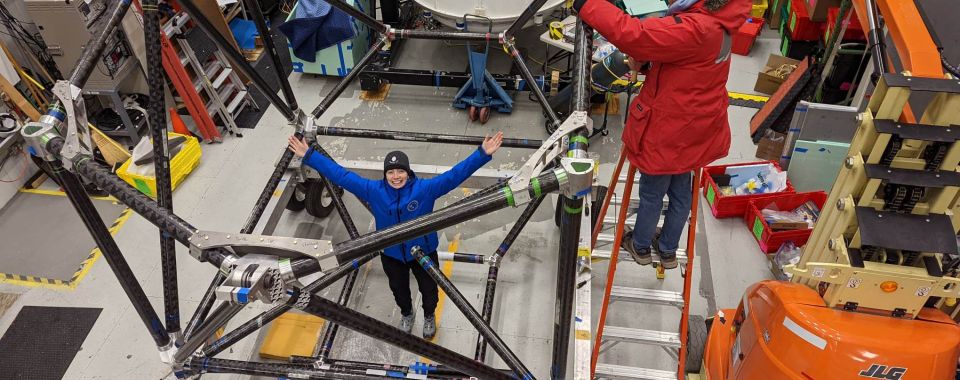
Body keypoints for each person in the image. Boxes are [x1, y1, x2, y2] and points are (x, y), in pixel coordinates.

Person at [573, 0, 750, 268]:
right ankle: (667, 249)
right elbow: (690, 65)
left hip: (668, 131)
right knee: (680, 194)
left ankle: (640, 245)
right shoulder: (723, 24)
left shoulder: (694, 28)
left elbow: (636, 35)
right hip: (696, 130)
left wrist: (588, 5)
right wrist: (648, 65)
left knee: (652, 194)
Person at [287, 132, 504, 338]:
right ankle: (407, 313)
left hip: (423, 252)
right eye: (390, 172)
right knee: (398, 289)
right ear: (385, 175)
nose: (396, 176)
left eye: (400, 171)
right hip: (392, 254)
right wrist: (309, 155)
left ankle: (429, 315)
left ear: (408, 173)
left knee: (429, 289)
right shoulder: (374, 190)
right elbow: (342, 176)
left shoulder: (424, 190)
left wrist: (482, 153)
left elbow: (454, 176)